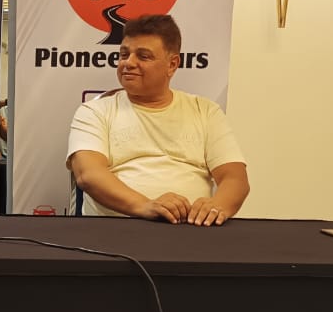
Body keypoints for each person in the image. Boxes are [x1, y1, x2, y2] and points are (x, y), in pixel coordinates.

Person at [67, 13, 249, 226]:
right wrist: (146, 206)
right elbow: (89, 174)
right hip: (117, 229)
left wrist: (215, 208)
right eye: (124, 54)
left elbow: (235, 178)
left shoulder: (205, 111)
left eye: (143, 56)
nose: (128, 63)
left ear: (172, 64)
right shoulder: (94, 111)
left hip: (191, 230)